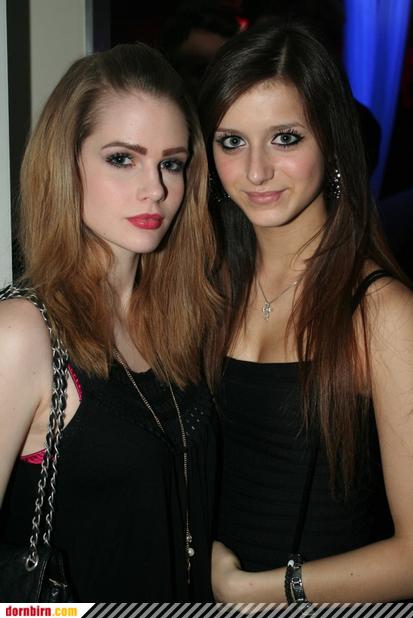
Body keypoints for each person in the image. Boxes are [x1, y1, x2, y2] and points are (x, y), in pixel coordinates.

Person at [199, 20, 413, 604]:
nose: (256, 171)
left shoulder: (381, 314)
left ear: (333, 144)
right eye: (232, 141)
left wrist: (263, 591)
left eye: (286, 138)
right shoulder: (208, 290)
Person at [0, 42, 222, 602]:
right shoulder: (22, 334)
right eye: (122, 158)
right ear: (66, 165)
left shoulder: (183, 318)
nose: (156, 189)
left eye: (171, 163)